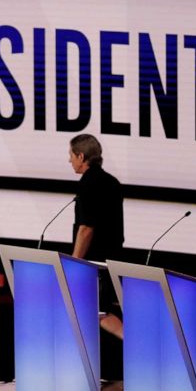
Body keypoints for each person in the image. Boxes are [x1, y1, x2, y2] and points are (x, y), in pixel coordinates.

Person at [68, 133, 125, 340]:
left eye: (71, 155)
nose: (70, 160)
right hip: (113, 258)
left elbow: (86, 229)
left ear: (81, 156)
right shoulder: (113, 183)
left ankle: (135, 344)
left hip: (94, 263)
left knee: (97, 312)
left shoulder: (87, 183)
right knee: (98, 311)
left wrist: (74, 263)